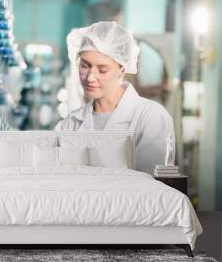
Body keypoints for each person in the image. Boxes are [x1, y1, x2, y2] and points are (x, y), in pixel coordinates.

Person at [55, 21, 175, 175]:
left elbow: (150, 187)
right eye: (84, 65)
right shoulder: (71, 123)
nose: (90, 77)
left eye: (102, 70)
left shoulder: (151, 118)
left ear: (122, 69)